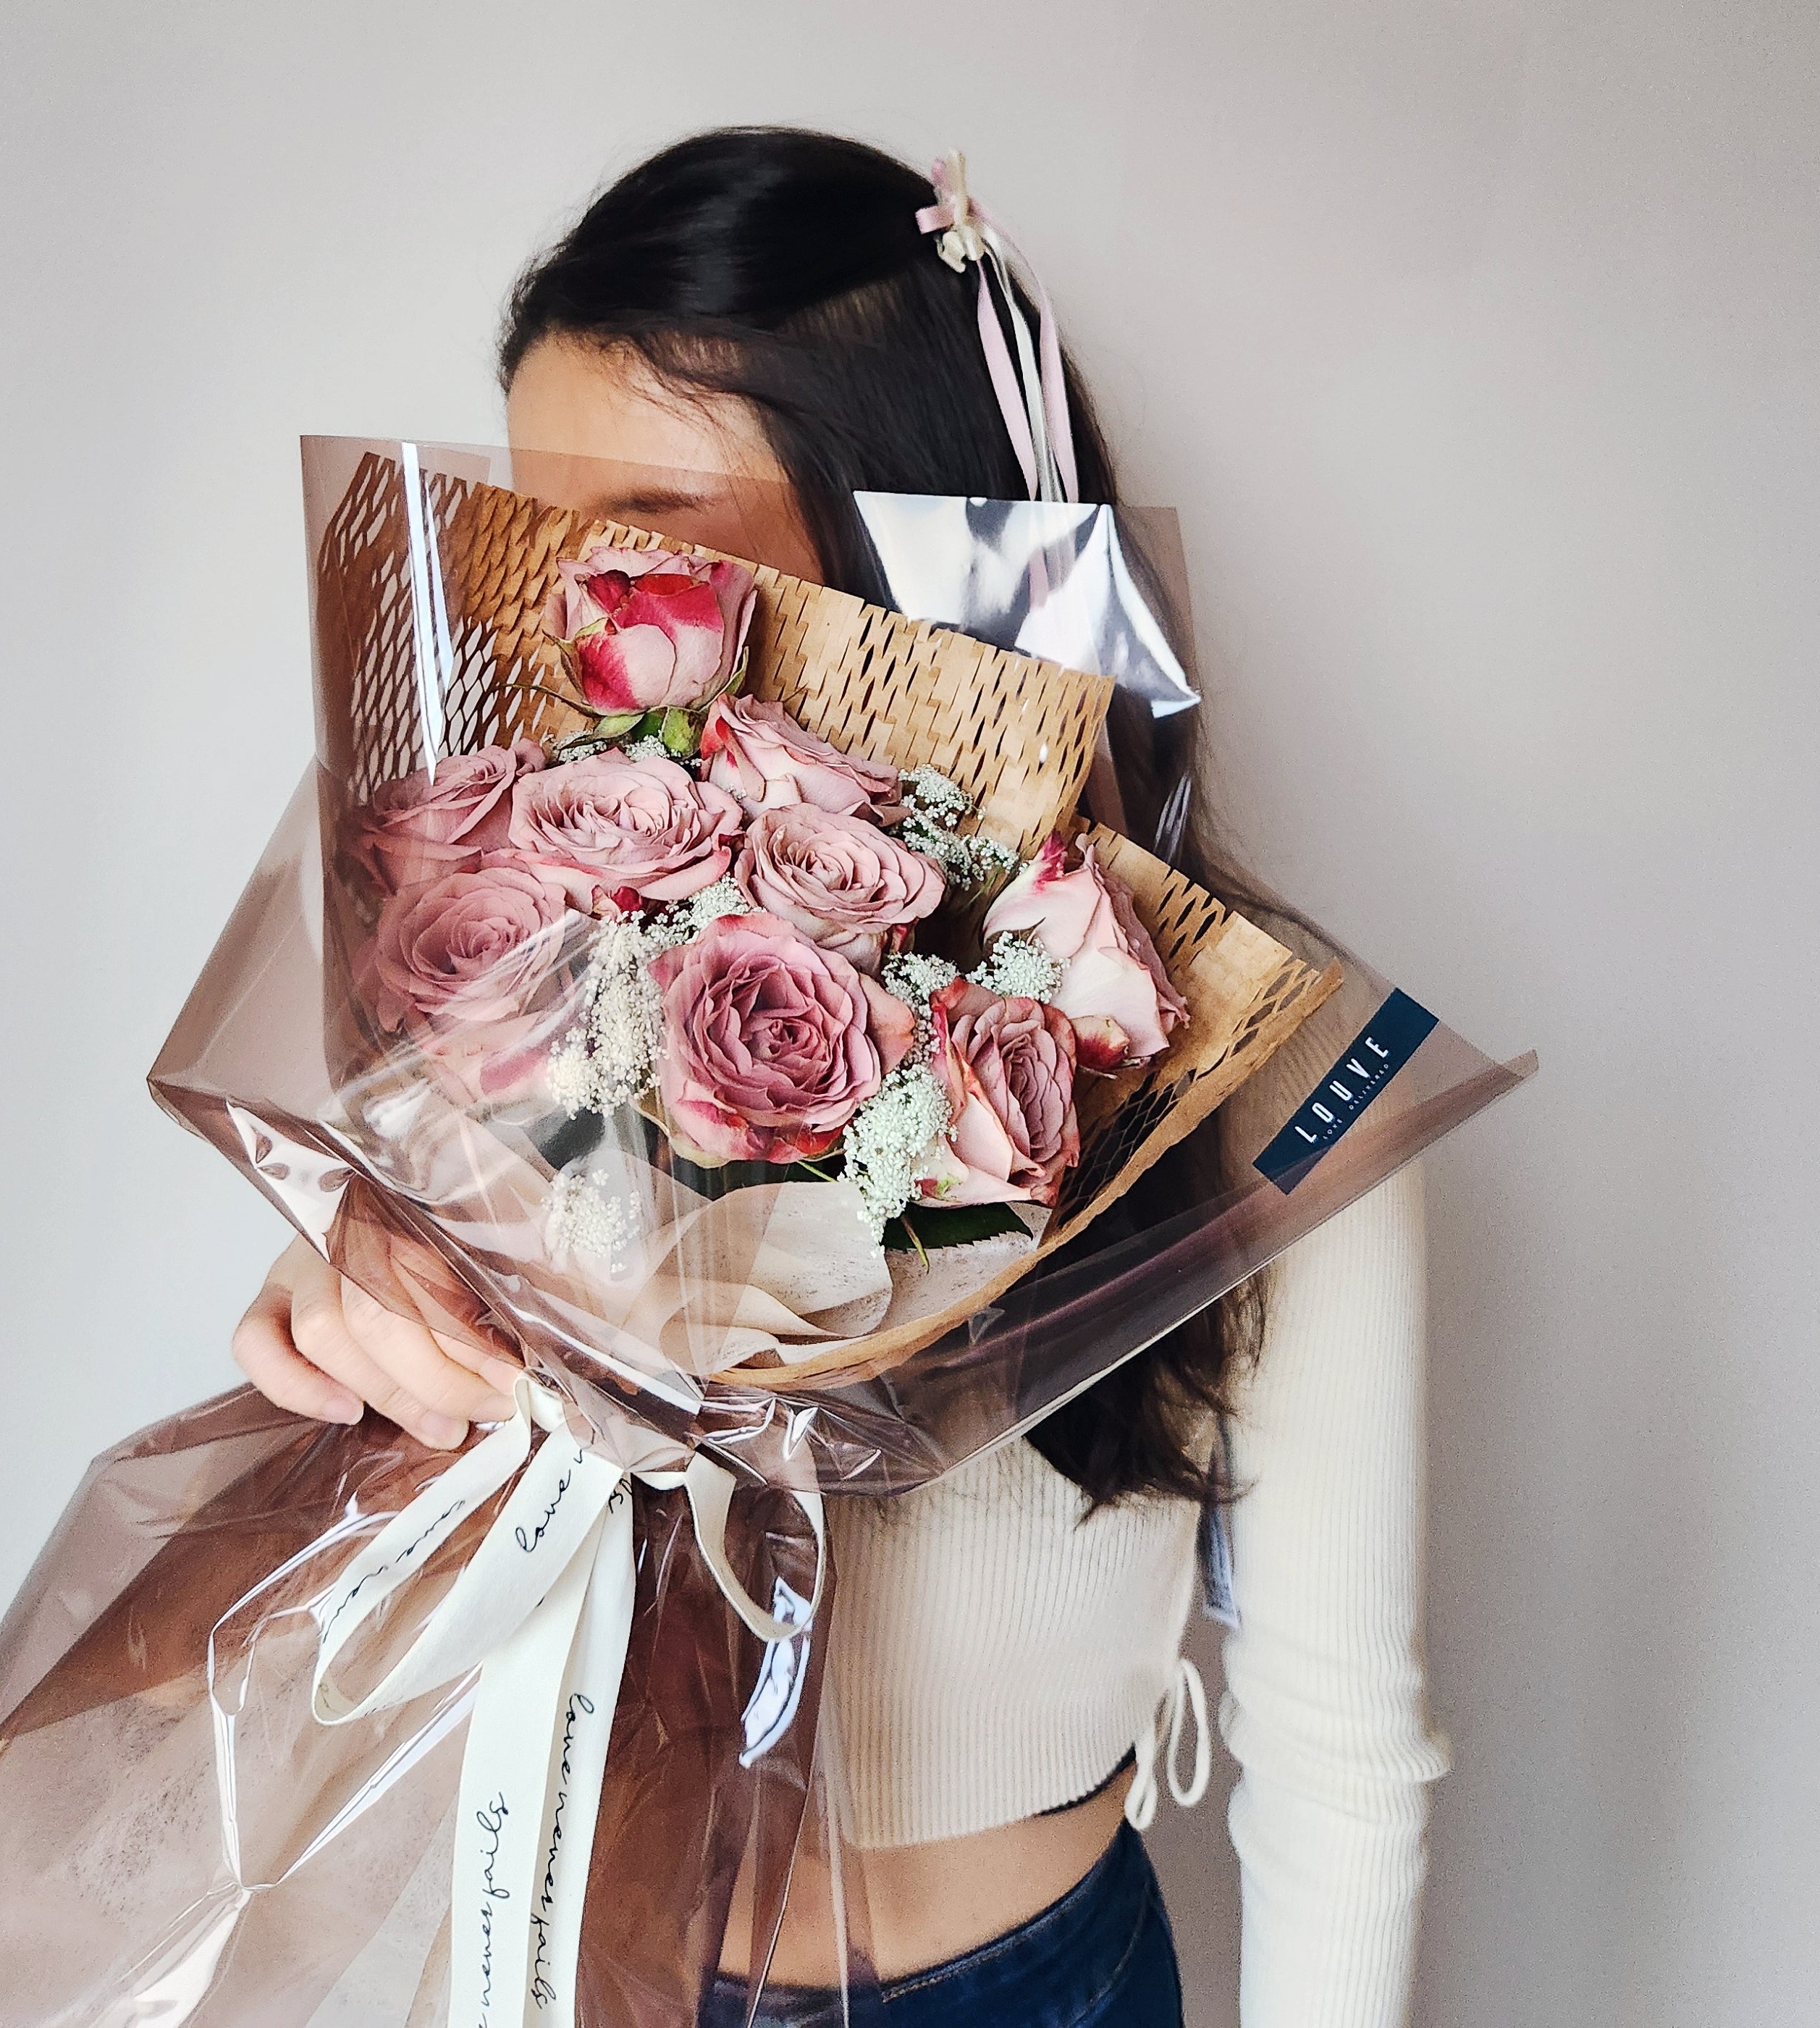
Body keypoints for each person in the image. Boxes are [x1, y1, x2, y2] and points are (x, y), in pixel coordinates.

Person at [233, 130, 1446, 2027]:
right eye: (537, 533)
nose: (571, 613)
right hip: (562, 1965)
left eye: (647, 536)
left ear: (932, 528)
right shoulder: (501, 976)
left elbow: (1340, 1760)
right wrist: (359, 1312)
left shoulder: (1276, 1058)